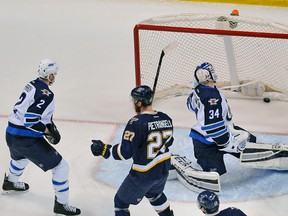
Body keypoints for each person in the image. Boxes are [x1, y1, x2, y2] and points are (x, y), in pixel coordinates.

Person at [2, 59, 81, 215]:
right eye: (54, 74)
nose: (55, 77)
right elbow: (30, 120)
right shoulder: (47, 94)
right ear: (50, 75)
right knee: (61, 167)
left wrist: (48, 124)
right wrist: (47, 131)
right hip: (25, 139)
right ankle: (61, 205)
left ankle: (10, 182)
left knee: (20, 159)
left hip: (11, 134)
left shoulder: (31, 84)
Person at [90, 85, 174, 216]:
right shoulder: (166, 118)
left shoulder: (136, 122)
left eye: (135, 100)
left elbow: (125, 153)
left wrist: (104, 149)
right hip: (163, 168)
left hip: (144, 173)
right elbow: (169, 141)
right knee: (155, 195)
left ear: (139, 102)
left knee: (120, 202)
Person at [186, 62, 256, 175]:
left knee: (251, 142)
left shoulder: (200, 91)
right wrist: (227, 143)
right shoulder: (211, 95)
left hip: (221, 132)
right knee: (215, 173)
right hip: (206, 143)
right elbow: (213, 127)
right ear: (209, 75)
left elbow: (189, 106)